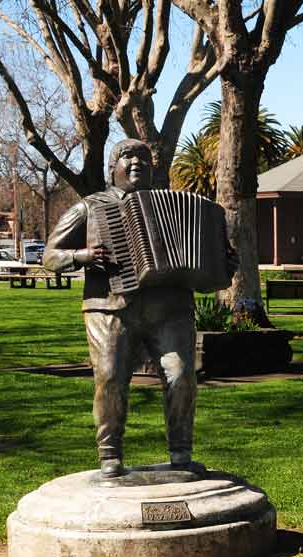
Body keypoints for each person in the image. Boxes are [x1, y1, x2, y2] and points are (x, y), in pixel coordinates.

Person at [43, 139, 208, 479]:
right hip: (110, 308)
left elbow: (208, 256)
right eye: (127, 157)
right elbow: (50, 256)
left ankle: (181, 452)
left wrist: (224, 260)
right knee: (110, 378)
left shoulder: (177, 205)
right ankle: (109, 453)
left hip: (169, 308)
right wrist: (81, 257)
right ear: (112, 168)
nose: (136, 163)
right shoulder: (90, 208)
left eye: (143, 158)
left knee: (181, 376)